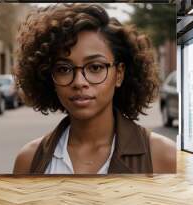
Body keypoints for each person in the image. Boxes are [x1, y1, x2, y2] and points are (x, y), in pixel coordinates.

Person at [12, 3, 176, 174]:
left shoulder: (163, 156)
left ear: (119, 74)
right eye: (63, 69)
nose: (79, 82)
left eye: (95, 67)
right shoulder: (29, 160)